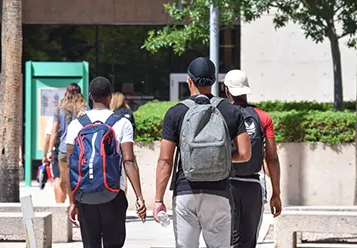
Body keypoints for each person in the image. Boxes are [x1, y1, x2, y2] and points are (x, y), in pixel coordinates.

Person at [154, 57, 251, 248]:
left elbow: (165, 160)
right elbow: (245, 153)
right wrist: (218, 159)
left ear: (189, 80)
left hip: (185, 192)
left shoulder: (175, 113)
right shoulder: (231, 112)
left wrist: (158, 199)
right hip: (219, 192)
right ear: (215, 81)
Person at [65, 76, 147, 248]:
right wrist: (139, 197)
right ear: (110, 96)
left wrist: (73, 202)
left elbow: (71, 166)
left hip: (85, 196)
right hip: (113, 193)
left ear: (89, 96)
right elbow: (129, 161)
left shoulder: (76, 125)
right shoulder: (122, 123)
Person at [223, 69, 282, 248]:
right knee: (248, 243)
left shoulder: (222, 114)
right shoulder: (263, 117)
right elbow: (271, 158)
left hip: (227, 185)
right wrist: (276, 193)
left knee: (228, 242)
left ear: (227, 90)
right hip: (253, 187)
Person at [48, 83, 89, 203]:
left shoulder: (60, 108)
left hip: (64, 149)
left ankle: (62, 209)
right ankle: (77, 206)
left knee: (64, 180)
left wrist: (50, 150)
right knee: (80, 180)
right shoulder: (85, 108)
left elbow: (54, 131)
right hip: (81, 150)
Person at [110, 92, 136, 195]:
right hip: (127, 147)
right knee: (125, 175)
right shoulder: (129, 112)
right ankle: (123, 197)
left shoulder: (113, 113)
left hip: (114, 149)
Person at [43, 116, 66, 203]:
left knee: (57, 178)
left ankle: (59, 204)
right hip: (69, 150)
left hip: (57, 150)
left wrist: (45, 154)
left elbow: (47, 139)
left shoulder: (53, 118)